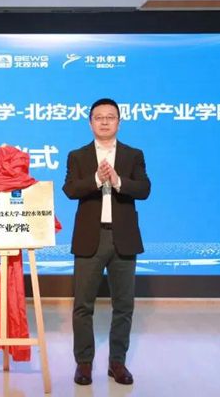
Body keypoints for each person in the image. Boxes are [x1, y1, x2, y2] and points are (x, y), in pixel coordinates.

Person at [63, 98, 150, 386]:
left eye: (110, 117)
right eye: (98, 117)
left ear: (118, 123)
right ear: (90, 123)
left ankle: (117, 363)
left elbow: (144, 189)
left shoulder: (133, 155)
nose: (104, 121)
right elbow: (70, 189)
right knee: (82, 305)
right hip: (90, 238)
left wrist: (118, 180)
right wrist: (97, 180)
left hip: (123, 238)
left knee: (123, 305)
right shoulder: (77, 155)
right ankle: (84, 364)